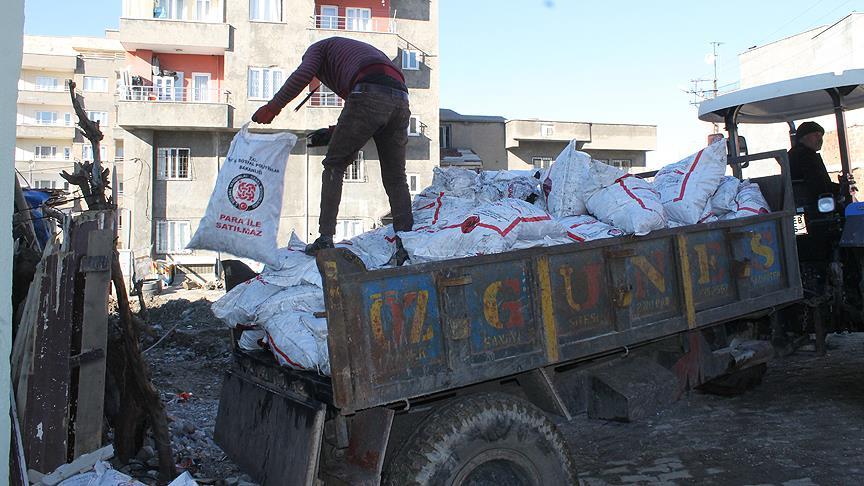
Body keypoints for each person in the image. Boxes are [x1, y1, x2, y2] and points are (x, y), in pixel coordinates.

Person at [252, 37, 412, 265]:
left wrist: (273, 107)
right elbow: (367, 115)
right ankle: (406, 243)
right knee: (396, 177)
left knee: (334, 166)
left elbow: (303, 75)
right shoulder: (356, 54)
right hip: (401, 99)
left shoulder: (318, 49)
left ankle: (325, 238)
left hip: (368, 91)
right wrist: (333, 132)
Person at [788, 121, 839, 199]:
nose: (820, 139)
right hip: (812, 204)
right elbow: (818, 184)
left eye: (821, 136)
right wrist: (839, 189)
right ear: (803, 137)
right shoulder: (804, 155)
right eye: (816, 135)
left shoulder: (799, 153)